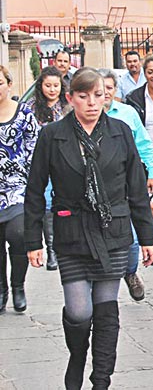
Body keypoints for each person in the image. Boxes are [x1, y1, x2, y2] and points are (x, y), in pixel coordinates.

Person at [24, 67, 153, 390]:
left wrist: (148, 237)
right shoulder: (52, 135)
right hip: (72, 231)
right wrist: (33, 241)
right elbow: (35, 189)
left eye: (98, 95)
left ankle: (101, 381)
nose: (92, 103)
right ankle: (77, 354)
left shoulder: (120, 132)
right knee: (80, 311)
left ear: (106, 96)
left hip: (113, 232)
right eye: (83, 96)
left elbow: (136, 188)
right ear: (70, 98)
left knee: (107, 310)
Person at [98, 69, 153, 301]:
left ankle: (130, 272)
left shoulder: (127, 113)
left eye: (109, 89)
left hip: (127, 185)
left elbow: (144, 144)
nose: (104, 94)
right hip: (97, 189)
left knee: (132, 238)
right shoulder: (85, 116)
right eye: (99, 90)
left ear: (115, 90)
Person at [0, 66, 40, 315]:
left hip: (17, 186)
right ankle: (1, 289)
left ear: (8, 84)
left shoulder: (23, 113)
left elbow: (35, 148)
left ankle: (18, 286)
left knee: (17, 234)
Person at [23, 67, 71, 271]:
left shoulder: (67, 105)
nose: (52, 90)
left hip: (63, 160)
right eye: (47, 85)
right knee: (45, 201)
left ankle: (59, 247)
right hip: (39, 160)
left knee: (60, 202)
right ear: (40, 86)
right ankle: (50, 249)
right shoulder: (31, 107)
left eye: (55, 85)